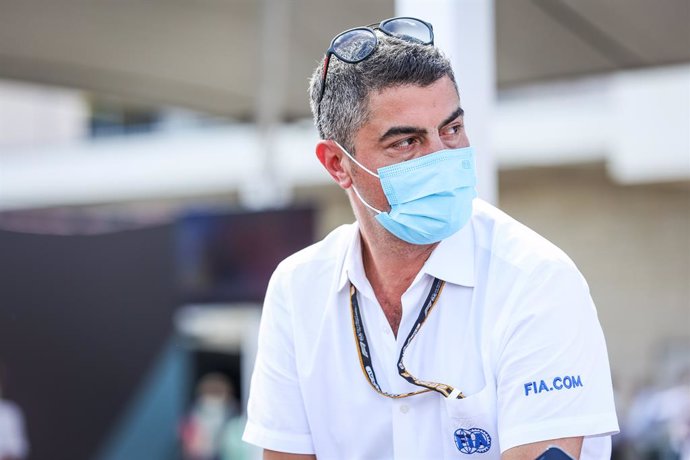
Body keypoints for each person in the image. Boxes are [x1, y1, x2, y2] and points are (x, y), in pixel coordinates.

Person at [242, 16, 619, 459]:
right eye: (407, 142)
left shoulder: (535, 280)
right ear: (337, 164)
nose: (441, 156)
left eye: (451, 129)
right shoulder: (297, 288)